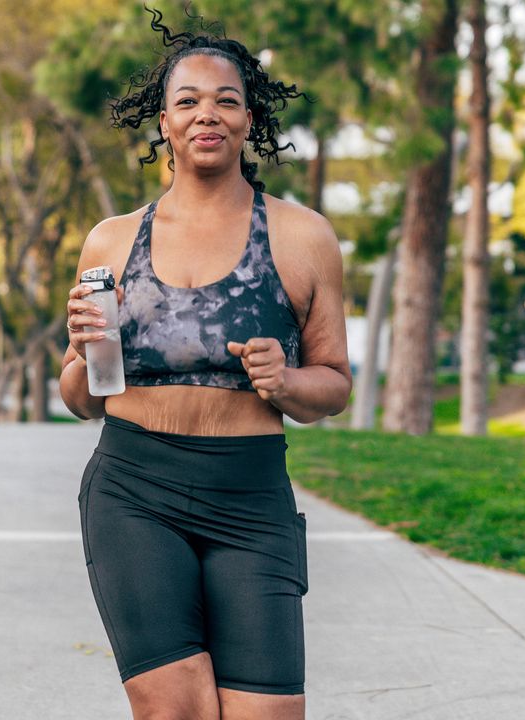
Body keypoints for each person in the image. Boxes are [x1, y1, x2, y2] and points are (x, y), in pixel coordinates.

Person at [59, 10, 351, 720]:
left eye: (225, 99)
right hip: (133, 491)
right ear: (164, 121)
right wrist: (86, 351)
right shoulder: (111, 240)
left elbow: (334, 383)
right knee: (177, 713)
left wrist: (286, 382)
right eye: (187, 101)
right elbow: (78, 396)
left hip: (250, 499)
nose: (206, 114)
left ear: (250, 118)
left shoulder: (302, 237)